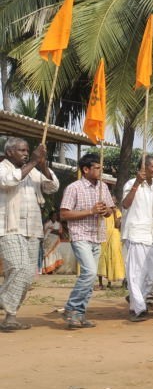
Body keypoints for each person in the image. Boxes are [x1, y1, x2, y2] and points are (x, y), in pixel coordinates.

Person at [0, 138, 58, 331]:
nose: (26, 153)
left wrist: (43, 166)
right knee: (17, 267)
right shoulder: (3, 168)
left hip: (33, 229)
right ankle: (4, 302)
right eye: (21, 150)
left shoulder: (33, 171)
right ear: (9, 152)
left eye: (27, 150)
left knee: (26, 276)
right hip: (9, 227)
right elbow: (8, 181)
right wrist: (33, 161)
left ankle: (10, 317)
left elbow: (52, 187)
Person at [60, 153, 115, 329]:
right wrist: (91, 211)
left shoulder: (103, 187)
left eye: (101, 167)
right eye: (97, 167)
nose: (101, 170)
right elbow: (64, 214)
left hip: (97, 235)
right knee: (90, 272)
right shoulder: (73, 188)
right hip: (80, 234)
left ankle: (79, 313)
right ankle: (72, 308)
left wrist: (106, 210)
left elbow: (110, 211)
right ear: (86, 169)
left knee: (89, 277)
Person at [121, 157, 153, 321]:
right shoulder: (131, 183)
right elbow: (125, 204)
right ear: (143, 167)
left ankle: (138, 301)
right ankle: (137, 308)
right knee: (136, 273)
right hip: (137, 233)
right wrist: (137, 184)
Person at [97, 187, 124, 290]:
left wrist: (114, 213)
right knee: (102, 257)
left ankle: (114, 281)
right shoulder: (103, 210)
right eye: (110, 199)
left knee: (115, 256)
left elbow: (117, 225)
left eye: (113, 200)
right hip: (103, 235)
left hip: (114, 235)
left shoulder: (117, 211)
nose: (111, 201)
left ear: (115, 201)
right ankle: (100, 283)